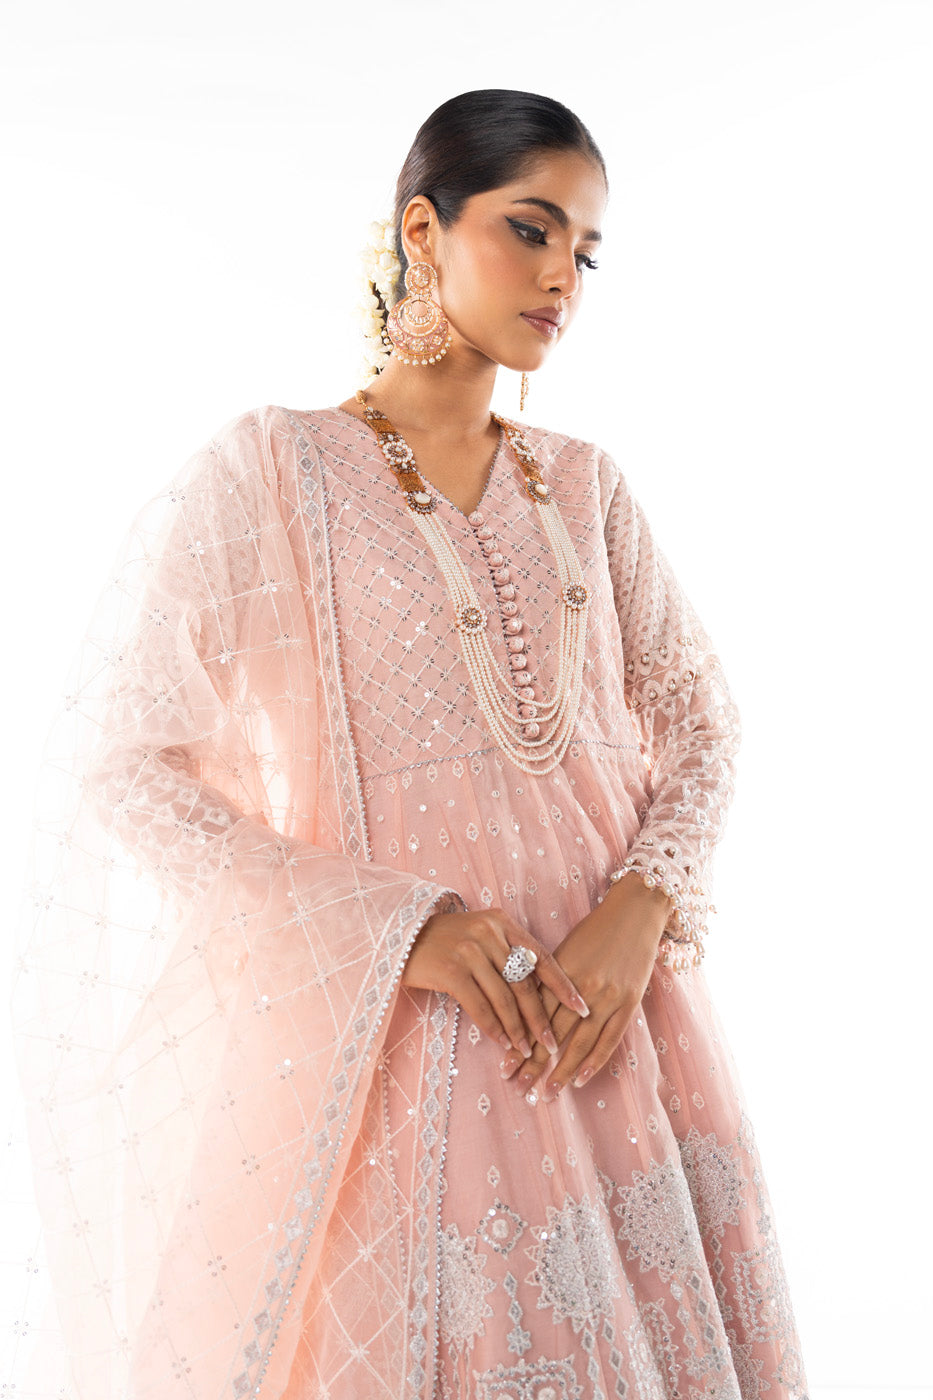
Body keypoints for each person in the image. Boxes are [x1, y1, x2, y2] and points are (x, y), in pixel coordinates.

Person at [10, 89, 809, 1399]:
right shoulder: (274, 472)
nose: (562, 277)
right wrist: (398, 929)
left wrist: (641, 907)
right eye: (531, 230)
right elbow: (129, 769)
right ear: (423, 231)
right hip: (409, 1046)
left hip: (616, 1035)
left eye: (586, 252)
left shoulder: (588, 484)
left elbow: (701, 722)